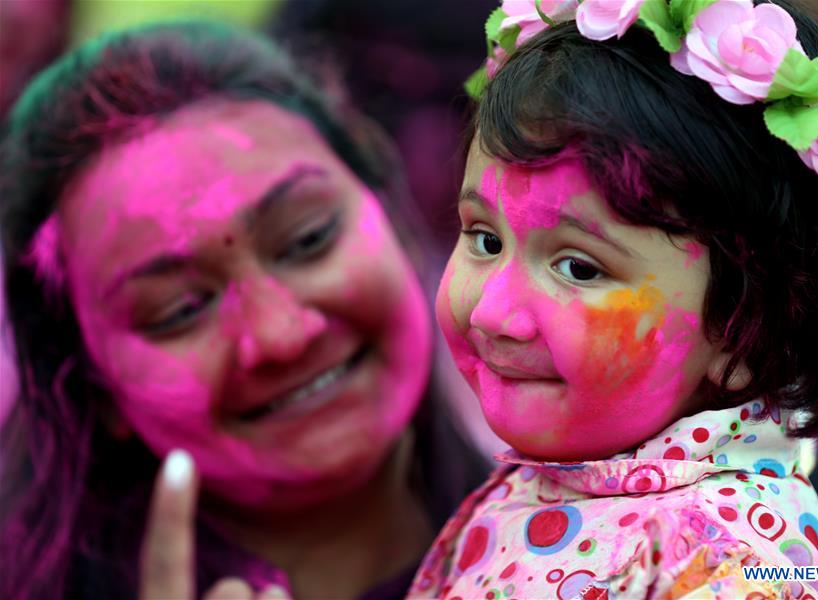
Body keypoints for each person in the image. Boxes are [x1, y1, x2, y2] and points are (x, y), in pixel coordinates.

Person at [409, 0, 818, 598]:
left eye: (578, 268)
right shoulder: (573, 475)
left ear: (746, 330)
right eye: (486, 240)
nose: (492, 312)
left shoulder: (721, 563)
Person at [0, 21, 488, 600]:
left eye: (308, 239)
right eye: (180, 309)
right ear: (95, 385)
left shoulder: (580, 544)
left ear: (390, 217)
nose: (282, 334)